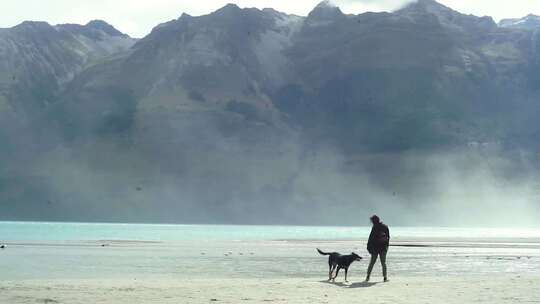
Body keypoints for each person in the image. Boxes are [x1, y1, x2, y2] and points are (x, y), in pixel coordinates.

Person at [365, 215, 390, 282]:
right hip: (383, 248)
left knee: (372, 262)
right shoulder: (385, 227)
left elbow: (370, 238)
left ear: (373, 221)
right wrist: (387, 247)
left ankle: (368, 276)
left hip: (375, 248)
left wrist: (368, 246)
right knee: (383, 263)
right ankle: (385, 277)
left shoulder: (374, 227)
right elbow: (388, 237)